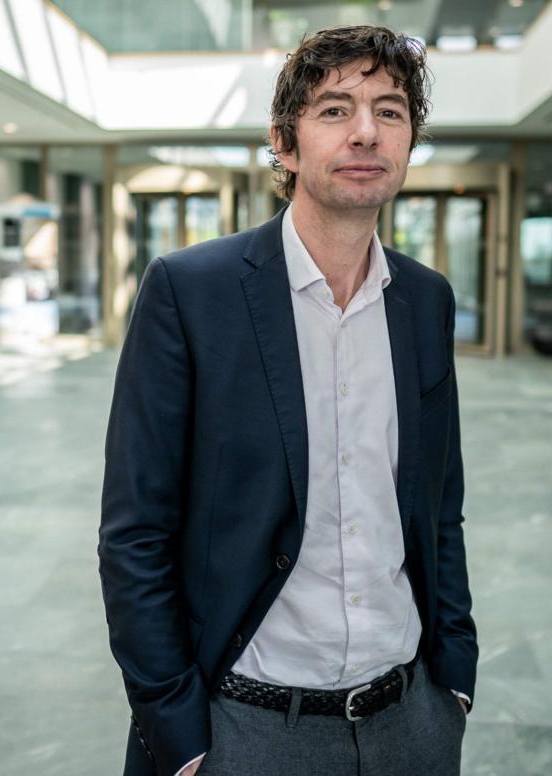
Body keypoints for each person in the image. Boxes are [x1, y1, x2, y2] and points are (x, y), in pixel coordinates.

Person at [99, 25, 477, 776]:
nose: (366, 131)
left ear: (410, 142)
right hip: (246, 724)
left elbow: (439, 507)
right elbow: (135, 532)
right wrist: (179, 732)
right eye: (335, 110)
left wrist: (455, 680)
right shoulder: (190, 291)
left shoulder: (424, 300)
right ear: (285, 141)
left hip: (411, 721)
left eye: (391, 111)